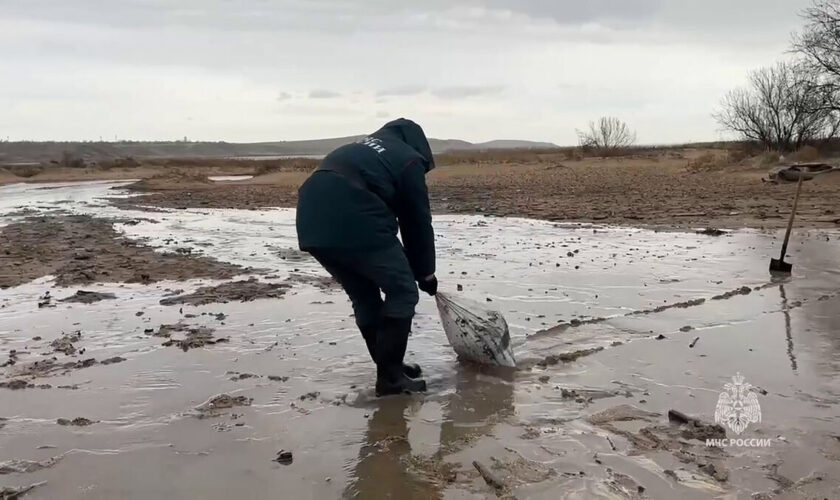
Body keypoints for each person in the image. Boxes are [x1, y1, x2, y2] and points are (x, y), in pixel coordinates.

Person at [296, 118, 437, 396]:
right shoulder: (408, 159)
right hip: (353, 214)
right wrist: (426, 273)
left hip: (311, 222)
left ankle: (389, 369)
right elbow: (416, 221)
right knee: (402, 291)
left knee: (364, 296)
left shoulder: (361, 148)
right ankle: (391, 378)